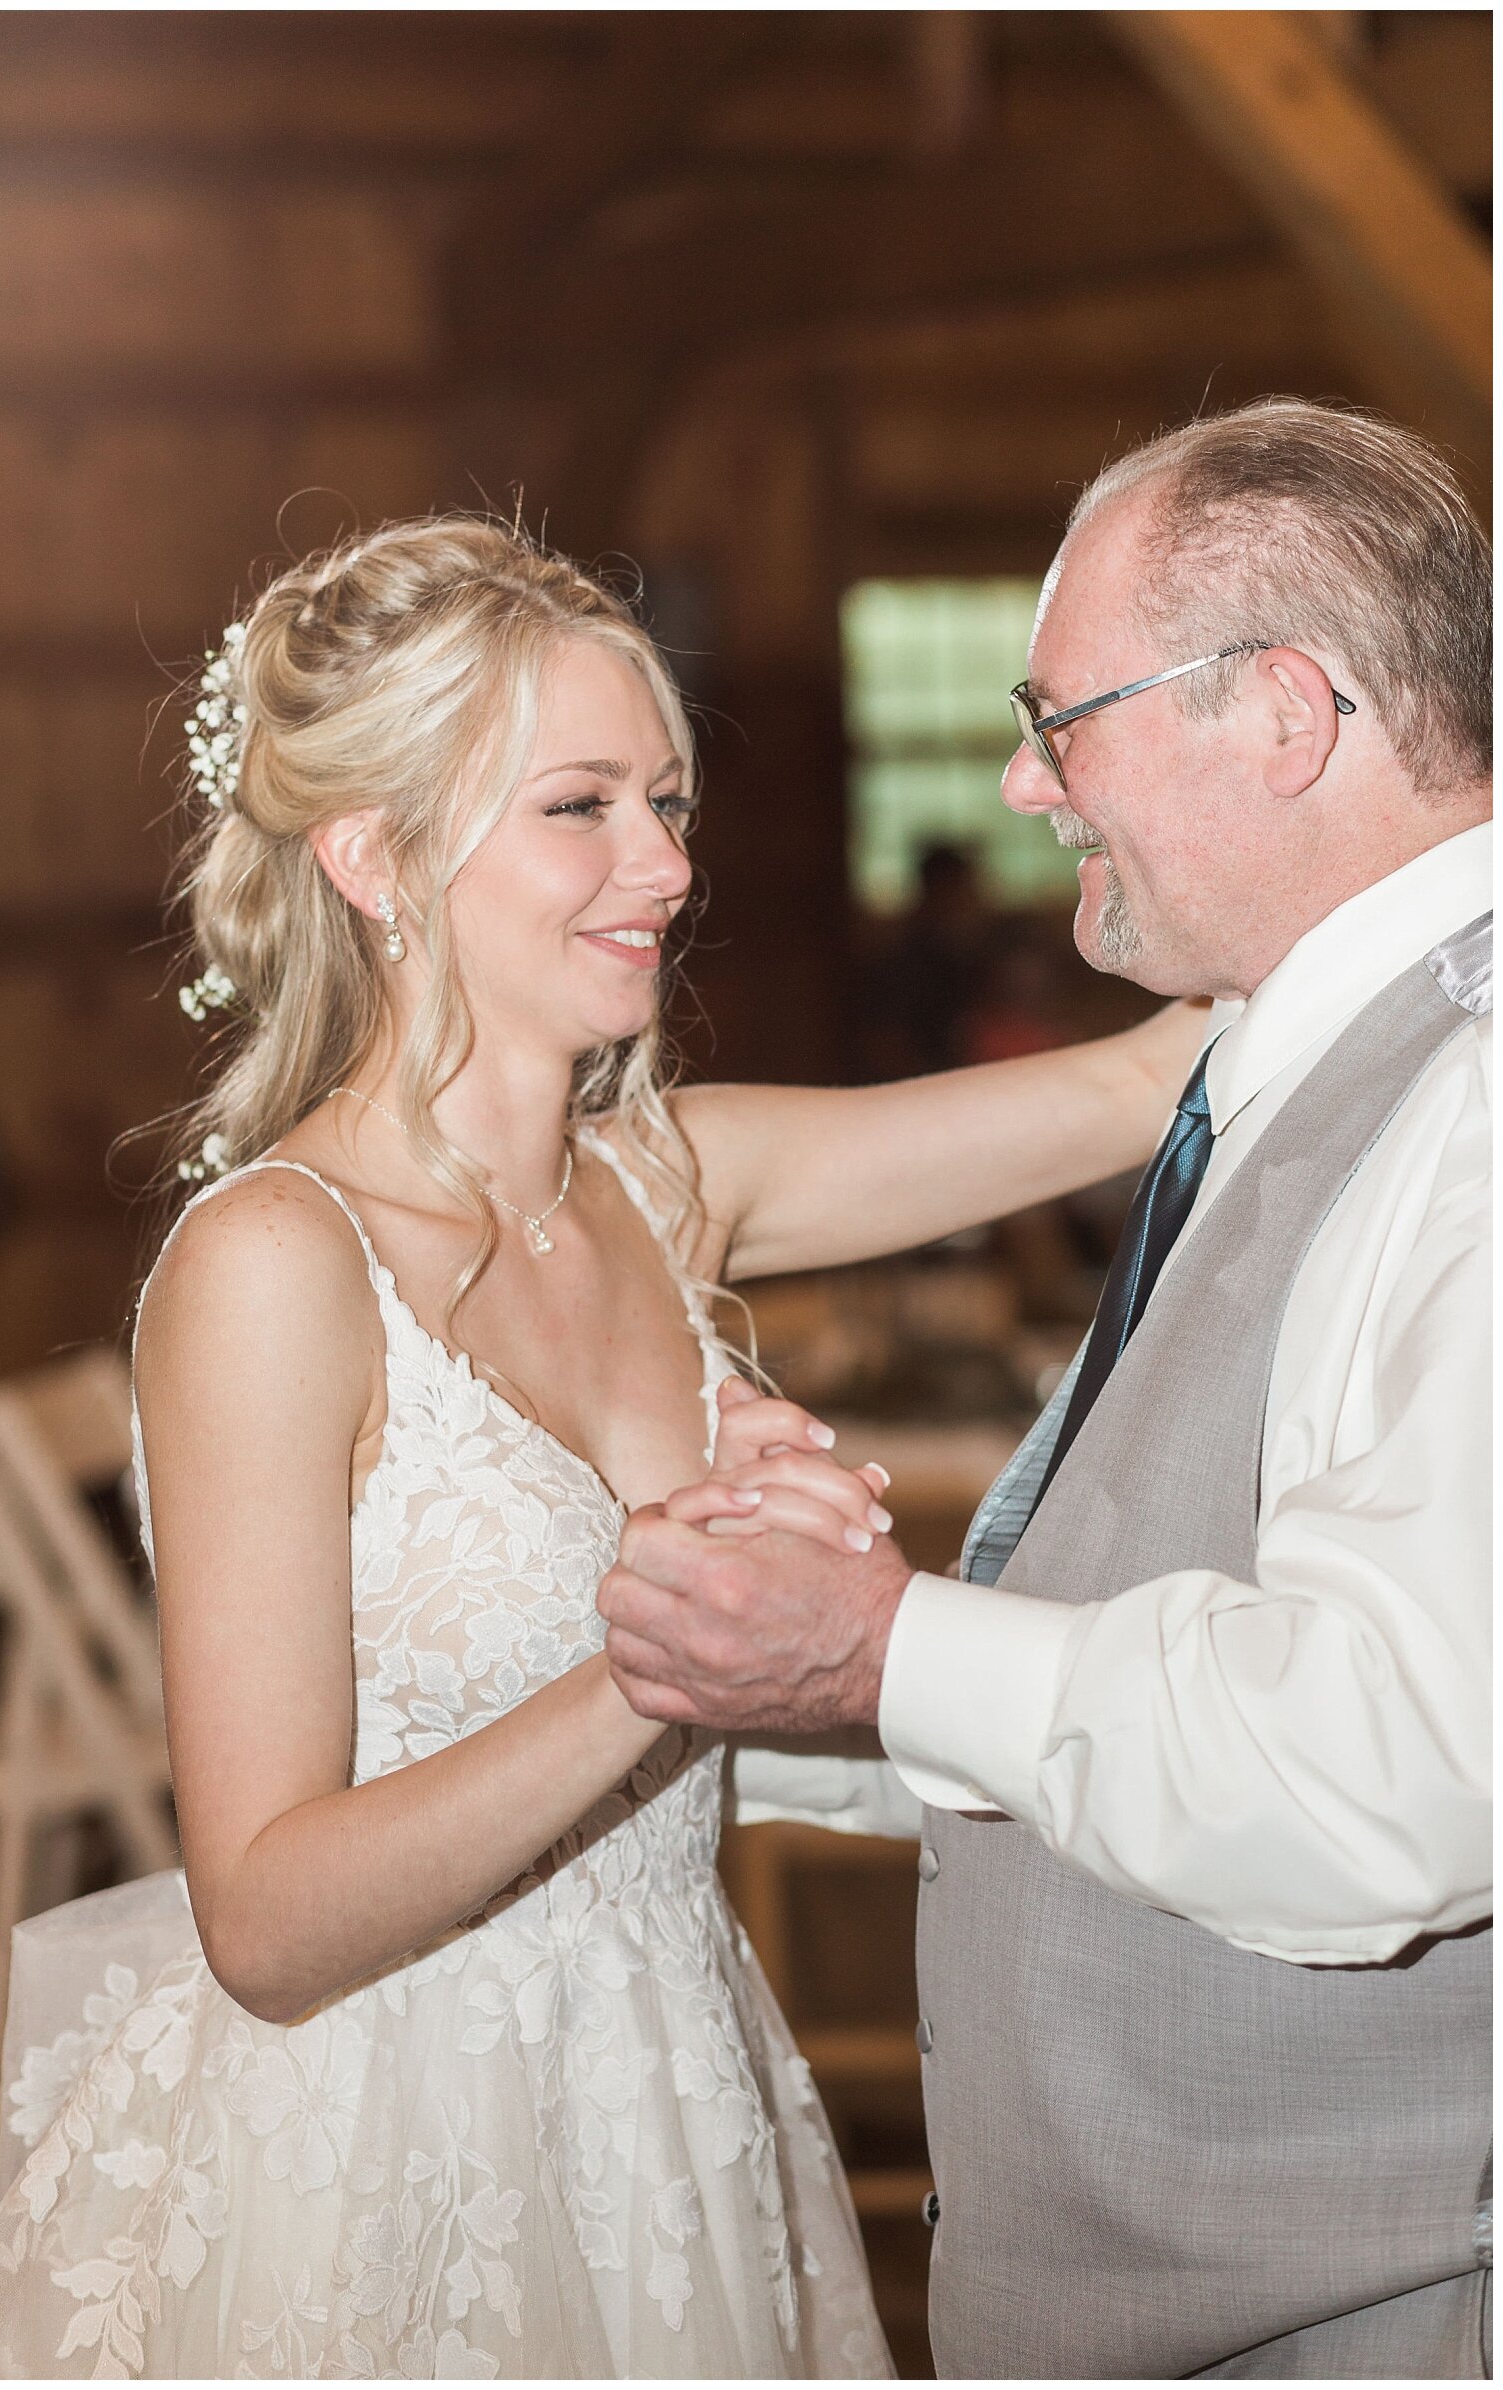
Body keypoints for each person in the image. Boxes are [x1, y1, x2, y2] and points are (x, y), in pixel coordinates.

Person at [0, 517, 1206, 2379]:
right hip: (380, 2158)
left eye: (667, 802)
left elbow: (1134, 1086)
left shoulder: (661, 1183)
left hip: (669, 2094)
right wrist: (673, 1645)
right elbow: (268, 1918)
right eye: (581, 807)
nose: (666, 866)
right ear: (373, 855)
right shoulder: (277, 1265)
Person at [599, 400, 1493, 2379]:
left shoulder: (1474, 1107)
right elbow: (1176, 1630)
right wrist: (794, 1684)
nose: (1019, 783)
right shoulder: (1284, 1060)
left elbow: (1387, 1766)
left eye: (1059, 713)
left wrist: (881, 1645)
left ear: (1279, 710)